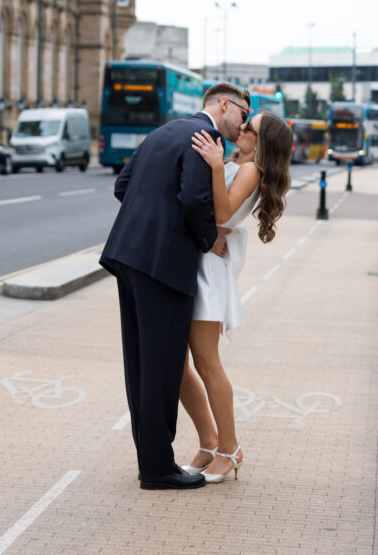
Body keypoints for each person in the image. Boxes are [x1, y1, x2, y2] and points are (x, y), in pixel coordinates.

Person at [99, 82, 251, 490]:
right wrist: (209, 238)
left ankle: (151, 460)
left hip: (126, 257)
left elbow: (122, 186)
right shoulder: (207, 139)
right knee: (164, 368)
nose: (244, 125)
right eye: (244, 115)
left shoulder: (163, 131)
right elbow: (193, 198)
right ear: (224, 105)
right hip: (164, 267)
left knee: (142, 365)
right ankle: (157, 469)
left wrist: (148, 223)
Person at [179, 110, 293, 483]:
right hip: (200, 258)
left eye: (250, 127)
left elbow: (224, 211)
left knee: (207, 363)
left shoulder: (249, 171)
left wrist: (213, 166)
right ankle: (209, 442)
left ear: (260, 143)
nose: (241, 128)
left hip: (208, 272)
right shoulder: (238, 163)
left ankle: (229, 448)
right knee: (178, 366)